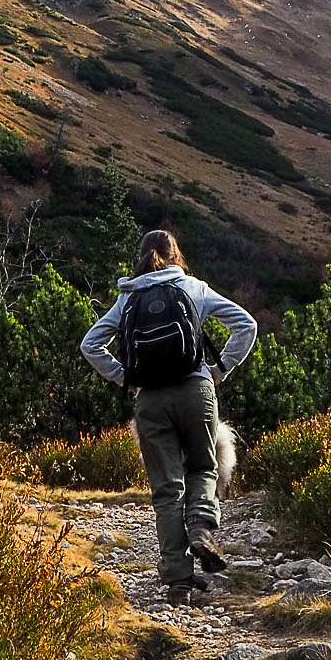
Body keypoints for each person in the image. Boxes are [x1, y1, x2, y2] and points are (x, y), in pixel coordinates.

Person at [81, 230, 258, 606]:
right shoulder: (193, 287)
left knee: (166, 488)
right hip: (196, 390)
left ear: (142, 258)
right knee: (203, 468)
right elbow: (247, 325)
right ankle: (200, 526)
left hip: (150, 400)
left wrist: (124, 378)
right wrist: (220, 368)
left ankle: (178, 580)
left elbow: (90, 344)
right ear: (178, 256)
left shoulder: (128, 298)